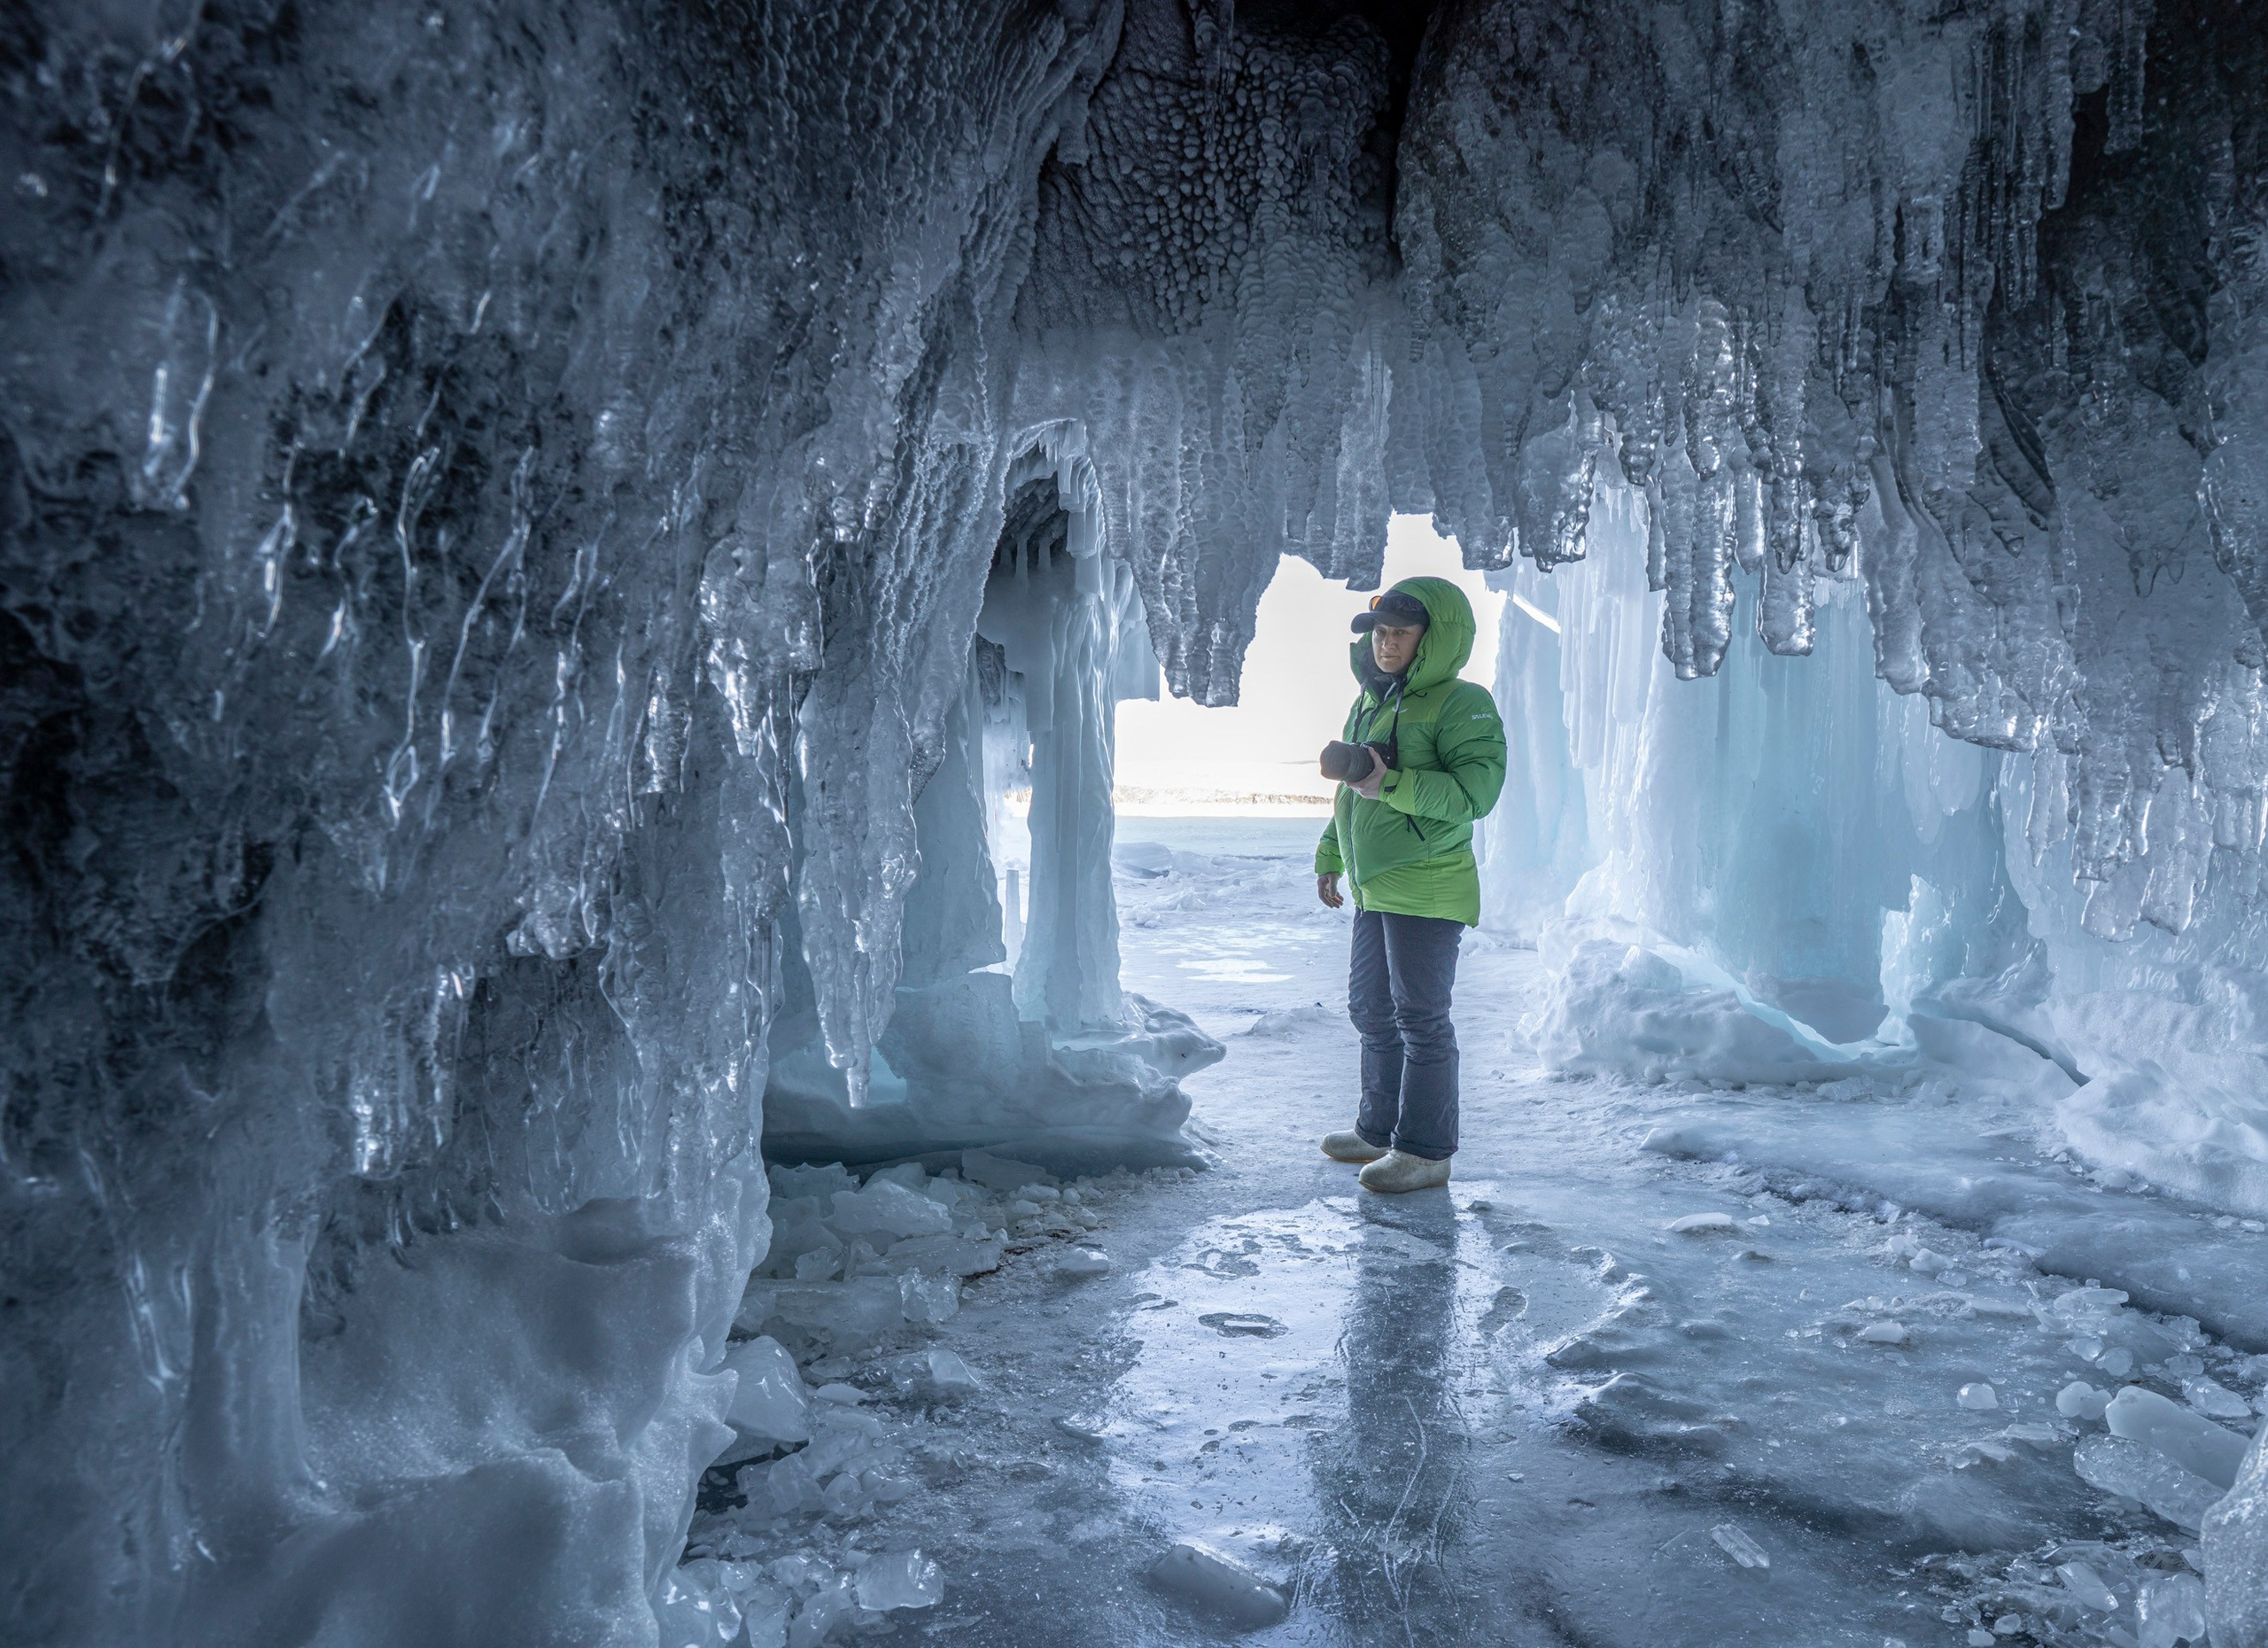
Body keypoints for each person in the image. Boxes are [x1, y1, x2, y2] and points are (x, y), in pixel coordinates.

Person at [1314, 578, 1506, 1193]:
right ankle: (1378, 1131)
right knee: (1370, 1010)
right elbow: (1350, 794)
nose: (1385, 643)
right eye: (1379, 632)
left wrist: (1390, 783)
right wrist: (1329, 855)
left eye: (1400, 632)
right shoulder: (1370, 700)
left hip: (1428, 886)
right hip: (1374, 884)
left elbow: (1475, 795)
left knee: (1421, 1018)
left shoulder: (1462, 702)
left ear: (1434, 638)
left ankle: (1425, 1152)